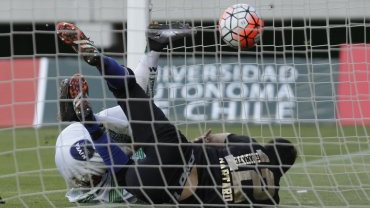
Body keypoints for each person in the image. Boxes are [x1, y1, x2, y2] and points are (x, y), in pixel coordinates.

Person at [56, 22, 298, 207]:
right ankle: (91, 124)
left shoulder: (252, 148)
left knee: (130, 92)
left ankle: (135, 54)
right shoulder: (270, 200)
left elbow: (218, 140)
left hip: (173, 148)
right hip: (154, 179)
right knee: (128, 171)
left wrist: (205, 142)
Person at [55, 22, 193, 203]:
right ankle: (85, 119)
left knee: (139, 102)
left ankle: (150, 48)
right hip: (79, 150)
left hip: (77, 146)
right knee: (136, 168)